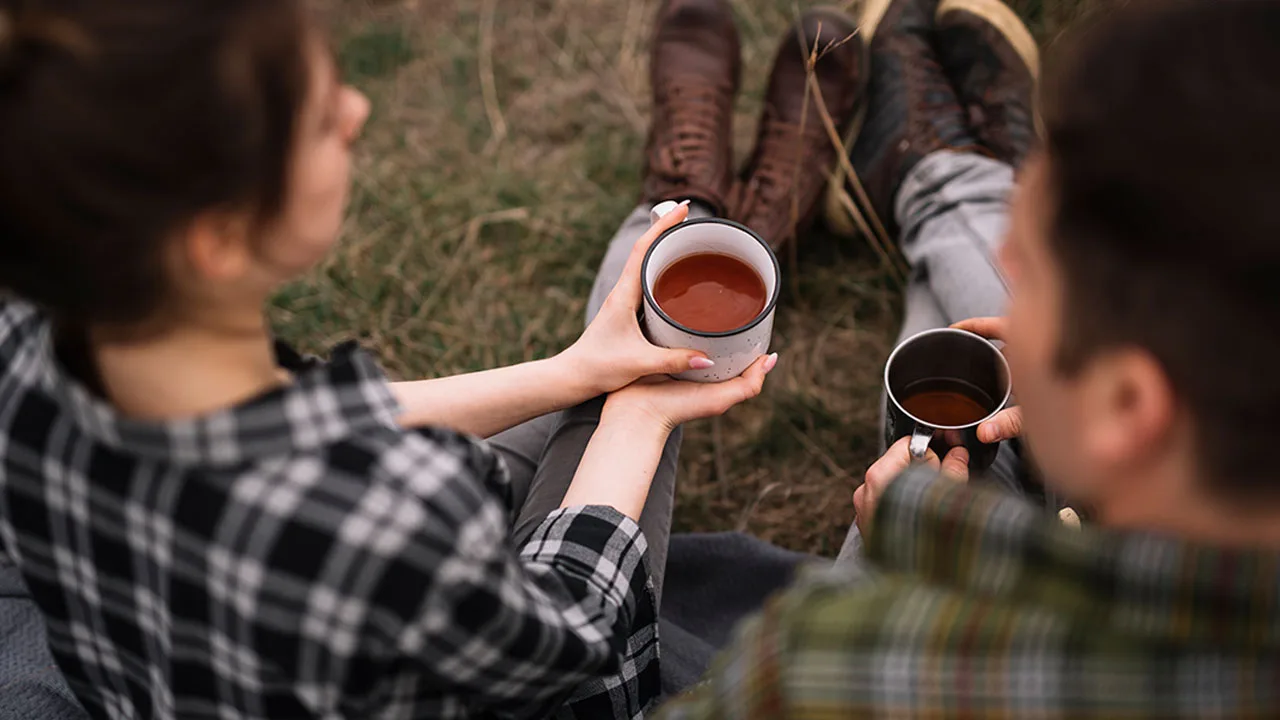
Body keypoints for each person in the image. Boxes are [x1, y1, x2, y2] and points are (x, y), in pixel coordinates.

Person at [0, 0, 880, 716]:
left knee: (607, 375)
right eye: (318, 116)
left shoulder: (33, 348)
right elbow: (574, 637)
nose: (358, 109)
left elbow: (295, 414)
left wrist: (574, 371)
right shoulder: (390, 519)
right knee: (636, 401)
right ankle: (717, 217)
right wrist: (641, 413)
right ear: (219, 239)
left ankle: (690, 209)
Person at [658, 0, 1280, 716]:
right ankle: (944, 172)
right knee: (981, 363)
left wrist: (900, 565)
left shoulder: (847, 671)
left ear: (1126, 408)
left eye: (1035, 269)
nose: (1004, 257)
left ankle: (932, 174)